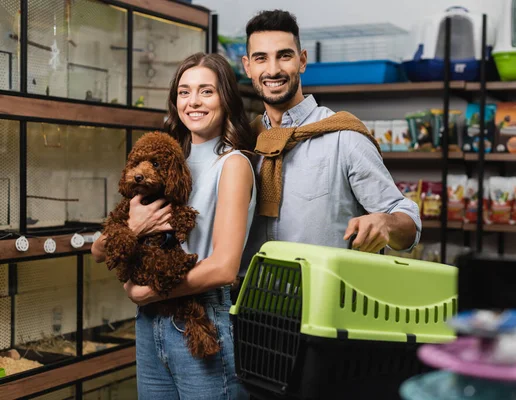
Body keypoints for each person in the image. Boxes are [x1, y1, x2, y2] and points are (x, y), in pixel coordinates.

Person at [91, 52, 255, 400]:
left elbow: (224, 267)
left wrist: (144, 292)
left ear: (225, 98)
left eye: (206, 91)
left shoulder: (233, 164)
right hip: (151, 322)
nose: (193, 102)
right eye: (184, 92)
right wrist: (134, 230)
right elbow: (98, 249)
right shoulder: (164, 161)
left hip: (205, 316)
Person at [238, 10, 421, 277]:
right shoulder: (243, 142)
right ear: (247, 67)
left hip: (323, 306)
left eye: (284, 55)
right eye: (261, 58)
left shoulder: (344, 136)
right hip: (247, 306)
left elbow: (408, 220)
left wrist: (386, 222)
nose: (273, 69)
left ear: (302, 61)